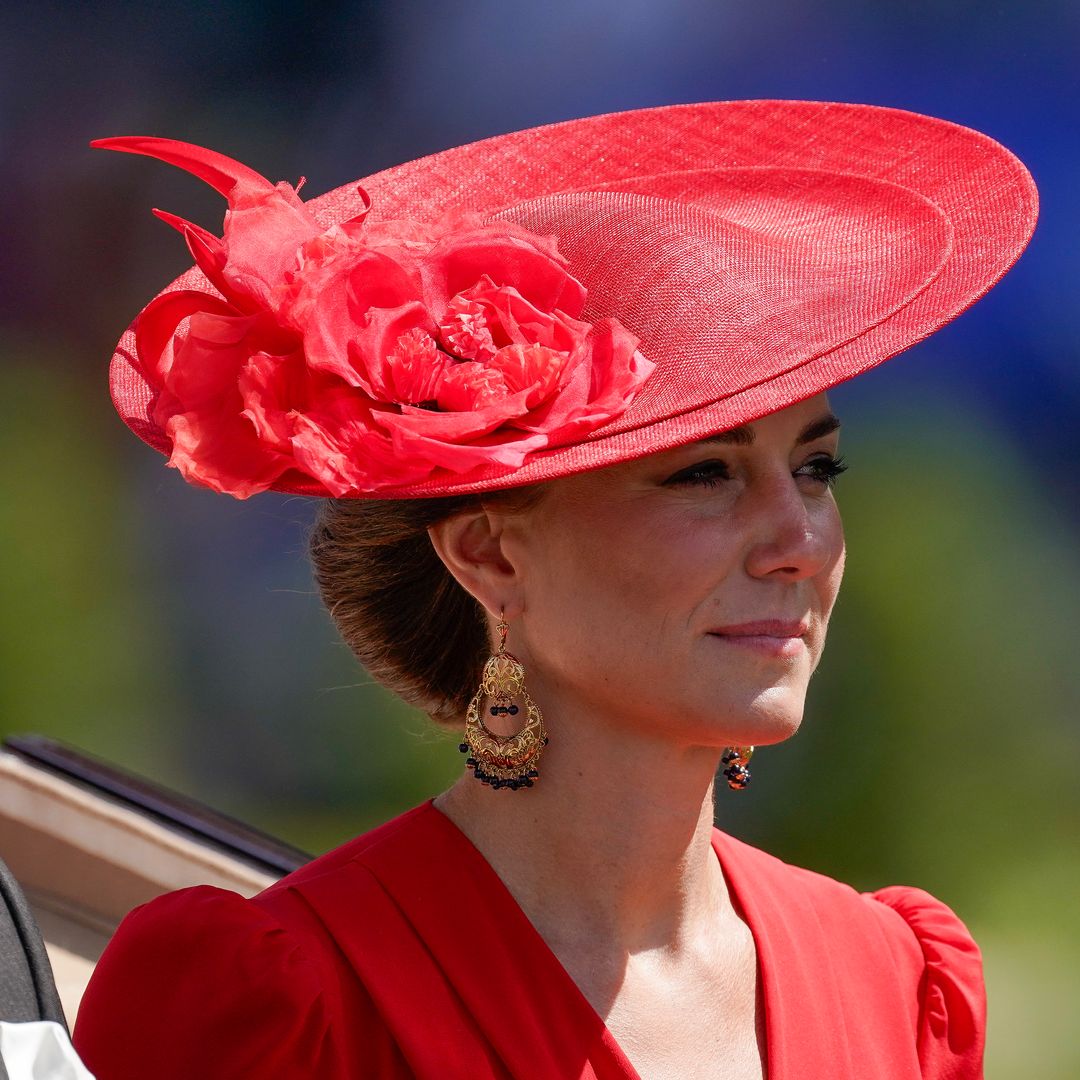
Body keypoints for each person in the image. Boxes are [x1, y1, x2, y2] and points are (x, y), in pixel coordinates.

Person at [72, 101, 1036, 1079]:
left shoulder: (887, 971)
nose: (798, 541)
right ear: (489, 556)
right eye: (704, 474)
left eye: (817, 471)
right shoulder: (291, 996)